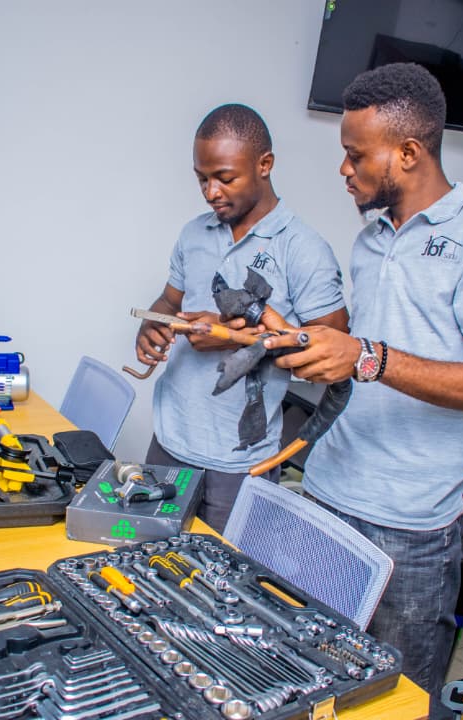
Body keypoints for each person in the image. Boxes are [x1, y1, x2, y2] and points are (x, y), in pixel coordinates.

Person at [262, 64, 463, 717]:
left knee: (396, 699)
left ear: (408, 152)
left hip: (409, 522)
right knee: (312, 677)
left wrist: (366, 356)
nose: (344, 169)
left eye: (356, 155)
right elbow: (369, 355)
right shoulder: (371, 239)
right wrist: (312, 349)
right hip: (328, 492)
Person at [134, 103, 348, 533]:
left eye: (225, 178)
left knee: (224, 573)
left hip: (239, 462)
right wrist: (152, 324)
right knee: (148, 557)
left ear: (264, 165)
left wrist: (233, 338)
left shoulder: (303, 250)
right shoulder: (194, 234)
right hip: (170, 442)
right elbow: (169, 301)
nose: (211, 191)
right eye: (202, 179)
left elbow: (332, 360)